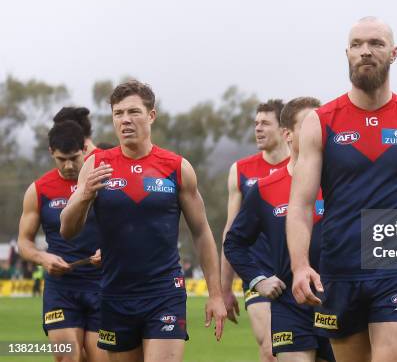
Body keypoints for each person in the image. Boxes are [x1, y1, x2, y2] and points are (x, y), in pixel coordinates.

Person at [286, 16, 397, 362]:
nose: (365, 51)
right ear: (347, 53)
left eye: (376, 44)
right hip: (339, 268)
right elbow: (300, 205)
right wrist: (300, 265)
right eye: (357, 45)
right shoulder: (320, 122)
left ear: (394, 53)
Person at [60, 80, 226, 362]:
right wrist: (85, 194)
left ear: (151, 115)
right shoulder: (96, 164)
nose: (125, 120)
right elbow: (67, 229)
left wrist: (215, 294)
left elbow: (201, 232)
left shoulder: (176, 167)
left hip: (164, 293)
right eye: (118, 113)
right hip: (115, 294)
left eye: (133, 112)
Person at [225, 97, 334, 362]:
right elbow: (234, 243)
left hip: (337, 302)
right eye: (310, 125)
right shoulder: (263, 189)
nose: (317, 132)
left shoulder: (340, 183)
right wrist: (257, 279)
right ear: (288, 134)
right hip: (290, 305)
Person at [17, 120, 107, 362]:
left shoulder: (104, 182)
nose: (68, 166)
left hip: (103, 285)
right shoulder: (38, 190)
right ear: (51, 153)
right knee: (68, 356)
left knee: (101, 358)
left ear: (85, 150)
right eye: (61, 159)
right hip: (61, 289)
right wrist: (42, 257)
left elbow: (129, 229)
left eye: (74, 158)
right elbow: (24, 243)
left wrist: (111, 249)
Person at [220, 99, 290, 361]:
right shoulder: (241, 170)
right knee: (271, 349)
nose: (258, 129)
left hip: (297, 271)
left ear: (284, 129)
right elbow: (231, 231)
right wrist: (224, 288)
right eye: (255, 123)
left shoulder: (304, 167)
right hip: (257, 272)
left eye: (265, 123)